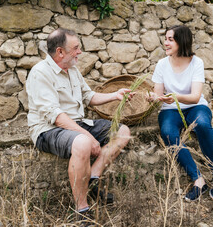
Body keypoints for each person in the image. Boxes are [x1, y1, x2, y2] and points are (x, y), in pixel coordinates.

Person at [26, 28, 133, 221]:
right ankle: (82, 210)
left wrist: (115, 95)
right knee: (83, 142)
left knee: (123, 131)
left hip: (77, 125)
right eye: (75, 48)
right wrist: (90, 138)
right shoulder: (40, 73)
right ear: (60, 51)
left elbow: (88, 96)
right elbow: (56, 116)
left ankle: (93, 175)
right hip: (49, 130)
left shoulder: (72, 70)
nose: (80, 52)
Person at [147, 25, 213, 201]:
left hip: (195, 107)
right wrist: (152, 98)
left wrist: (174, 96)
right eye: (165, 39)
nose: (165, 43)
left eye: (170, 40)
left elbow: (195, 97)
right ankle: (198, 180)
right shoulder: (161, 64)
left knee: (203, 124)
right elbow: (158, 95)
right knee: (167, 132)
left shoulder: (197, 62)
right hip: (170, 110)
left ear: (182, 41)